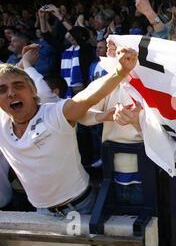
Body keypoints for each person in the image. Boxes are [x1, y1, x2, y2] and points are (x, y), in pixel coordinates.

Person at [0, 47, 137, 216]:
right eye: (2, 90)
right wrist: (24, 61)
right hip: (42, 212)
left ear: (33, 90)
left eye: (18, 86)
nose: (11, 93)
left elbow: (88, 96)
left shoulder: (55, 113)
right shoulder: (2, 122)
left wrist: (120, 71)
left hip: (80, 208)